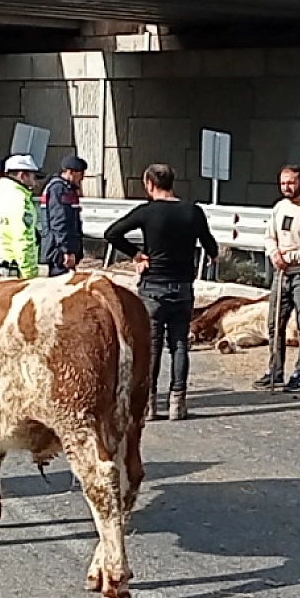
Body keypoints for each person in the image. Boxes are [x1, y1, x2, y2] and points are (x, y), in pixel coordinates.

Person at [104, 163, 219, 421]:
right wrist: (211, 255)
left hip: (153, 286)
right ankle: (178, 402)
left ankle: (150, 404)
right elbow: (210, 245)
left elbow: (112, 233)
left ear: (149, 184)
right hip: (182, 288)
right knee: (179, 345)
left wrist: (136, 254)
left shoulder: (147, 212)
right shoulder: (193, 211)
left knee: (151, 347)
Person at [255, 164, 300, 393]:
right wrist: (274, 254)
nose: (286, 187)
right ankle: (274, 370)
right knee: (275, 323)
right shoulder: (279, 207)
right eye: (283, 183)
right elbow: (269, 237)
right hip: (281, 273)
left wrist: (291, 258)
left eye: (291, 182)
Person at [0, 154, 41, 279]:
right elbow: (24, 241)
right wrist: (30, 277)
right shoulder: (21, 201)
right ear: (22, 175)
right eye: (34, 177)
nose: (36, 182)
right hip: (7, 275)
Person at [39, 155, 87, 275]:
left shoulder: (65, 188)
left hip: (60, 249)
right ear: (70, 172)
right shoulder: (59, 189)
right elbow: (59, 222)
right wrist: (66, 250)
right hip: (58, 251)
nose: (82, 178)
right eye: (80, 174)